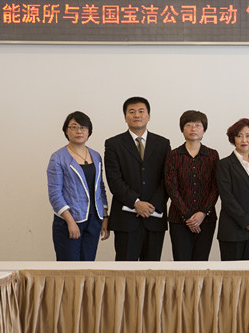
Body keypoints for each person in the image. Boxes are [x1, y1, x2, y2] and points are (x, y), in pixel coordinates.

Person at [104, 96, 170, 261]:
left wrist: (152, 206)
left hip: (154, 218)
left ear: (149, 116)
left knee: (152, 271)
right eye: (132, 112)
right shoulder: (113, 144)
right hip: (126, 219)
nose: (137, 115)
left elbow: (167, 179)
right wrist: (136, 203)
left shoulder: (163, 144)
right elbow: (114, 180)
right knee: (125, 271)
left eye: (141, 111)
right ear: (125, 117)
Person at [46, 111, 109, 261]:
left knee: (88, 266)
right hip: (70, 221)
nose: (79, 131)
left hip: (94, 219)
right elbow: (55, 194)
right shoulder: (58, 157)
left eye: (83, 127)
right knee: (69, 268)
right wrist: (70, 221)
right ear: (66, 131)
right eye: (74, 127)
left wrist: (105, 217)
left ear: (89, 131)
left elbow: (100, 187)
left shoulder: (96, 156)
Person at [165, 110, 219, 261]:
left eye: (198, 125)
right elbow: (171, 187)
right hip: (178, 219)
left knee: (201, 262)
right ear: (182, 129)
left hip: (206, 219)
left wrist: (203, 212)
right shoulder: (173, 155)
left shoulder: (212, 155)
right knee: (181, 263)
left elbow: (216, 187)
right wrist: (187, 215)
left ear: (204, 129)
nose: (193, 129)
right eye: (189, 125)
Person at [215, 118, 249, 261]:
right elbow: (227, 197)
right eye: (239, 136)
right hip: (232, 231)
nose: (244, 140)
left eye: (248, 136)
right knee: (231, 274)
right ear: (233, 139)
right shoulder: (224, 164)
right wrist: (246, 222)